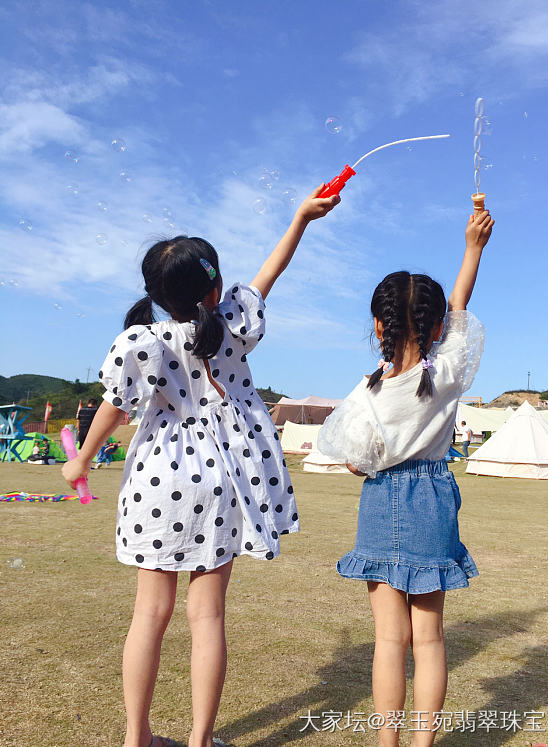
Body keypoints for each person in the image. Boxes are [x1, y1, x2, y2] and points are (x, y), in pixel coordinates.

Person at [62, 185, 339, 747]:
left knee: (150, 615)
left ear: (158, 295)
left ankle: (136, 738)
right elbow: (269, 274)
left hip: (160, 481)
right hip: (226, 481)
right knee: (207, 617)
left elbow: (114, 409)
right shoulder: (232, 321)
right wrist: (300, 220)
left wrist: (81, 463)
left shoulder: (144, 341)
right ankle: (199, 739)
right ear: (216, 288)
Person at [318, 209, 494, 747]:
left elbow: (352, 460)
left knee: (388, 642)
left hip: (379, 503)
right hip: (433, 499)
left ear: (378, 324)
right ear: (439, 327)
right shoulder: (446, 373)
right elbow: (461, 308)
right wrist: (473, 248)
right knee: (431, 640)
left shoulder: (366, 392)